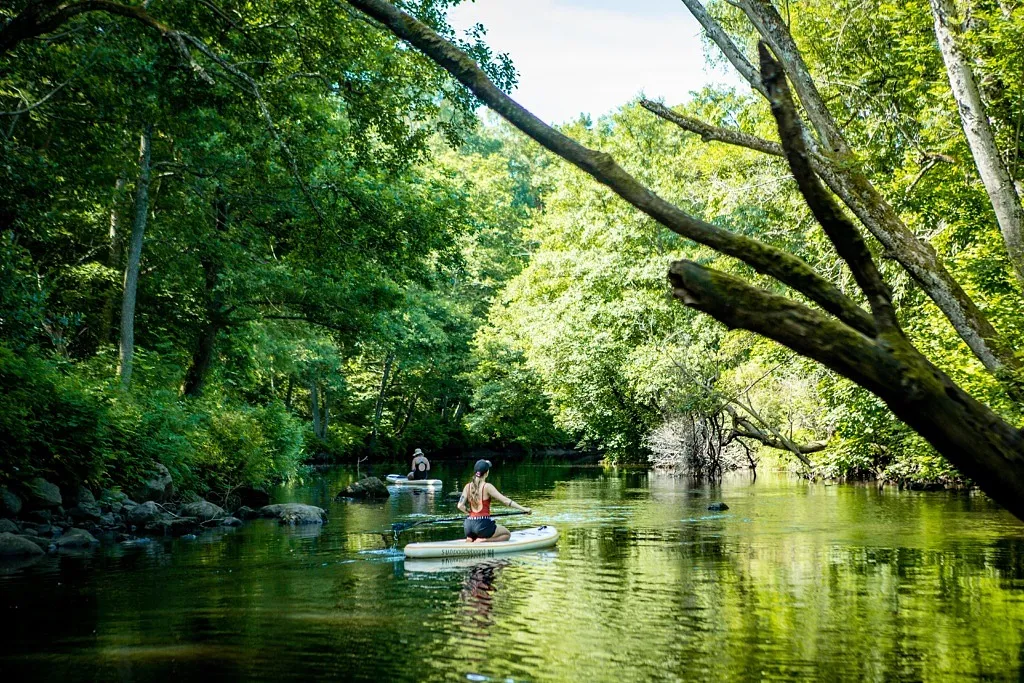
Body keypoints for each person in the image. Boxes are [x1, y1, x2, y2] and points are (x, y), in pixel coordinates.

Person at [457, 459, 531, 543]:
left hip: (468, 525)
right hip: (482, 526)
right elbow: (506, 501)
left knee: (472, 536)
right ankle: (484, 540)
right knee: (506, 534)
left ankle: (470, 539)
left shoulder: (467, 486)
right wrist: (524, 509)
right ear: (487, 473)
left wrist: (469, 513)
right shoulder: (487, 486)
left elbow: (460, 506)